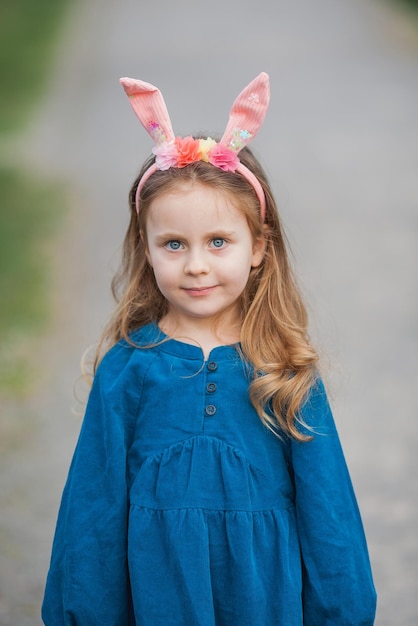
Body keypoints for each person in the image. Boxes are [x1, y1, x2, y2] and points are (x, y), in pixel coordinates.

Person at [42, 73, 377, 625]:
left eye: (218, 241)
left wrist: (342, 609)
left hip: (263, 601)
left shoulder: (283, 371)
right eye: (174, 244)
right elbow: (93, 508)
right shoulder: (127, 369)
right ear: (146, 250)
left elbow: (328, 507)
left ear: (258, 248)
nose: (196, 264)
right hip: (159, 596)